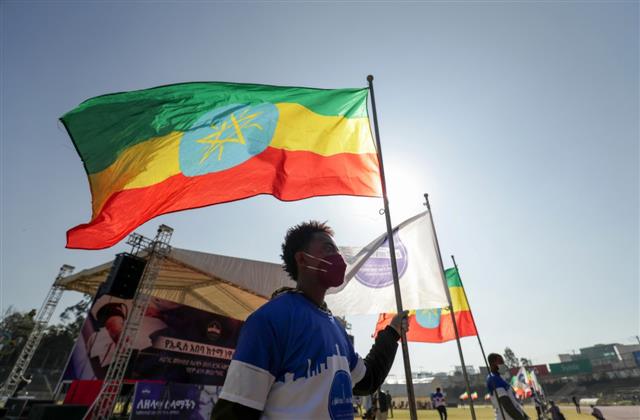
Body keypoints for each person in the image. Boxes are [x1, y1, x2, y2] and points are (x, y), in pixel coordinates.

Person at [211, 221, 409, 419]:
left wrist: (392, 333)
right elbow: (234, 412)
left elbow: (367, 380)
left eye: (338, 251)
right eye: (328, 248)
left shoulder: (336, 327)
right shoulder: (269, 319)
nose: (338, 257)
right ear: (302, 259)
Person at [486, 353, 529, 420]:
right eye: (501, 362)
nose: (503, 364)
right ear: (493, 364)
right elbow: (507, 405)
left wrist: (524, 415)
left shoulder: (501, 378)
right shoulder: (494, 379)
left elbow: (513, 402)